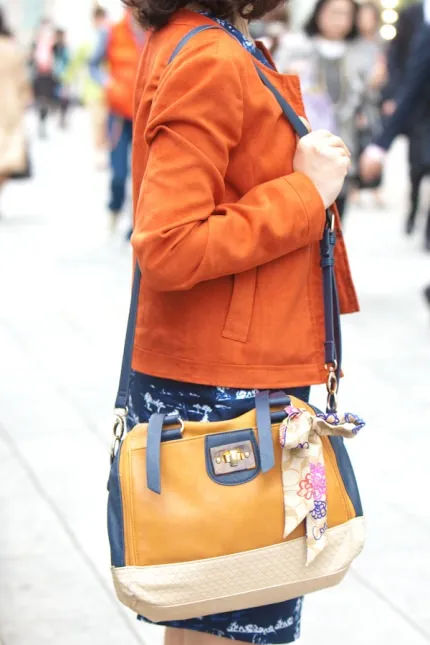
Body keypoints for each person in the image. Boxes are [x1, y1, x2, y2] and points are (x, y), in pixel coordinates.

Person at [120, 0, 359, 643]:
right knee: (240, 614)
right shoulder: (210, 53)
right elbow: (168, 243)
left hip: (232, 373)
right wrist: (305, 193)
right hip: (228, 389)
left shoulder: (206, 38)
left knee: (211, 606)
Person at [278, 0, 366, 220]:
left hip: (342, 140)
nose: (339, 20)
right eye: (334, 13)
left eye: (345, 14)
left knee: (336, 213)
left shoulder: (359, 53)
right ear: (319, 13)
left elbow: (364, 100)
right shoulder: (297, 48)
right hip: (303, 141)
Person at [378, 1, 430, 242]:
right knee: (417, 165)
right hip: (419, 109)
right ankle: (413, 207)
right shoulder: (412, 13)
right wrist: (394, 97)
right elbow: (398, 58)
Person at [89, 9, 146, 229]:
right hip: (119, 115)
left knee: (143, 175)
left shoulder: (155, 29)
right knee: (119, 174)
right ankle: (114, 208)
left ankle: (136, 225)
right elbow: (93, 65)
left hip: (145, 113)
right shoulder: (112, 32)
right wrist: (108, 84)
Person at [351, 1, 387, 205]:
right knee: (356, 145)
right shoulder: (352, 44)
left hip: (376, 104)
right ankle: (355, 185)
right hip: (358, 103)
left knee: (376, 143)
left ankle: (375, 185)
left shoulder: (380, 44)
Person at [0, 8, 31, 213]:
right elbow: (23, 85)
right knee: (7, 158)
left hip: (8, 109)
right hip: (9, 110)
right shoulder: (12, 49)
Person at [31, 19, 56, 139]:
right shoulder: (36, 42)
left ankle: (43, 124)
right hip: (40, 74)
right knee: (41, 101)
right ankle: (41, 124)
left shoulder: (53, 44)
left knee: (46, 102)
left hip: (48, 74)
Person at [52, 28, 71, 129]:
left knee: (64, 98)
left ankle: (62, 118)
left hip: (64, 76)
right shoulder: (53, 47)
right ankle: (58, 116)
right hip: (55, 75)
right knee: (57, 98)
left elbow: (68, 60)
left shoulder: (65, 47)